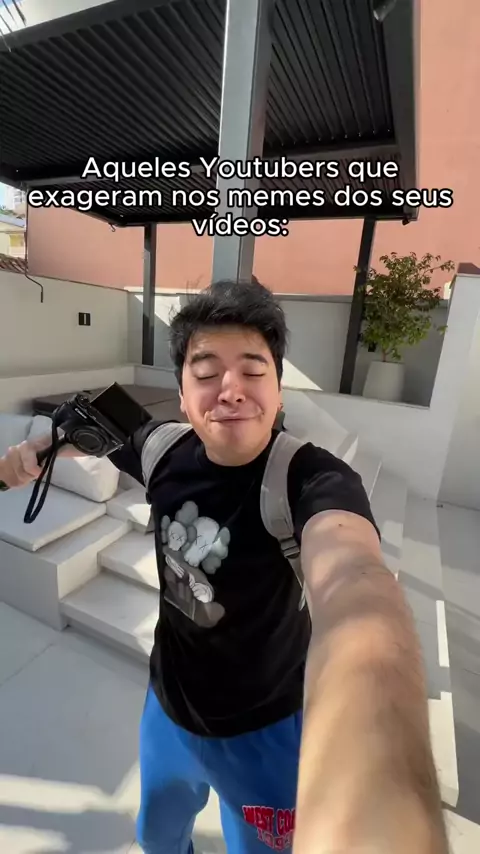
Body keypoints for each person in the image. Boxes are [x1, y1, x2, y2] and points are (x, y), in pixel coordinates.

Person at [0, 279, 448, 854]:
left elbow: (354, 581)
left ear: (279, 391)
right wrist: (35, 454)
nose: (230, 391)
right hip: (167, 711)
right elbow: (106, 432)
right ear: (183, 396)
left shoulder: (311, 479)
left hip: (266, 735)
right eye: (207, 373)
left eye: (253, 370)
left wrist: (378, 761)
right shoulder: (163, 450)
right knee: (157, 838)